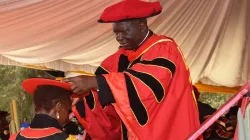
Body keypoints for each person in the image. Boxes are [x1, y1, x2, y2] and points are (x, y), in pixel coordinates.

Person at [65, 0, 202, 139]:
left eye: (123, 31)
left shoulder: (164, 48)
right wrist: (82, 94)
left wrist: (95, 82)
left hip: (169, 131)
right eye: (116, 33)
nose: (119, 38)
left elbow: (145, 86)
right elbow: (103, 87)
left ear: (142, 26)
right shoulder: (121, 57)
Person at [9, 78, 74, 140]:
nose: (67, 116)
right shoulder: (65, 138)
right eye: (67, 109)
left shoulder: (14, 138)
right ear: (58, 107)